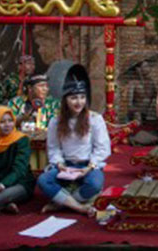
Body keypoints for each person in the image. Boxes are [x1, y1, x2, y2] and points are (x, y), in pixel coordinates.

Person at [37, 78, 111, 216]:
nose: (79, 102)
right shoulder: (55, 121)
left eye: (82, 97)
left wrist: (90, 166)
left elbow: (102, 147)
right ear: (65, 100)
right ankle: (79, 207)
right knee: (43, 180)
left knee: (94, 184)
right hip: (66, 165)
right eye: (74, 98)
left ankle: (61, 204)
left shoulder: (94, 119)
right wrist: (59, 164)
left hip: (87, 165)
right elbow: (53, 148)